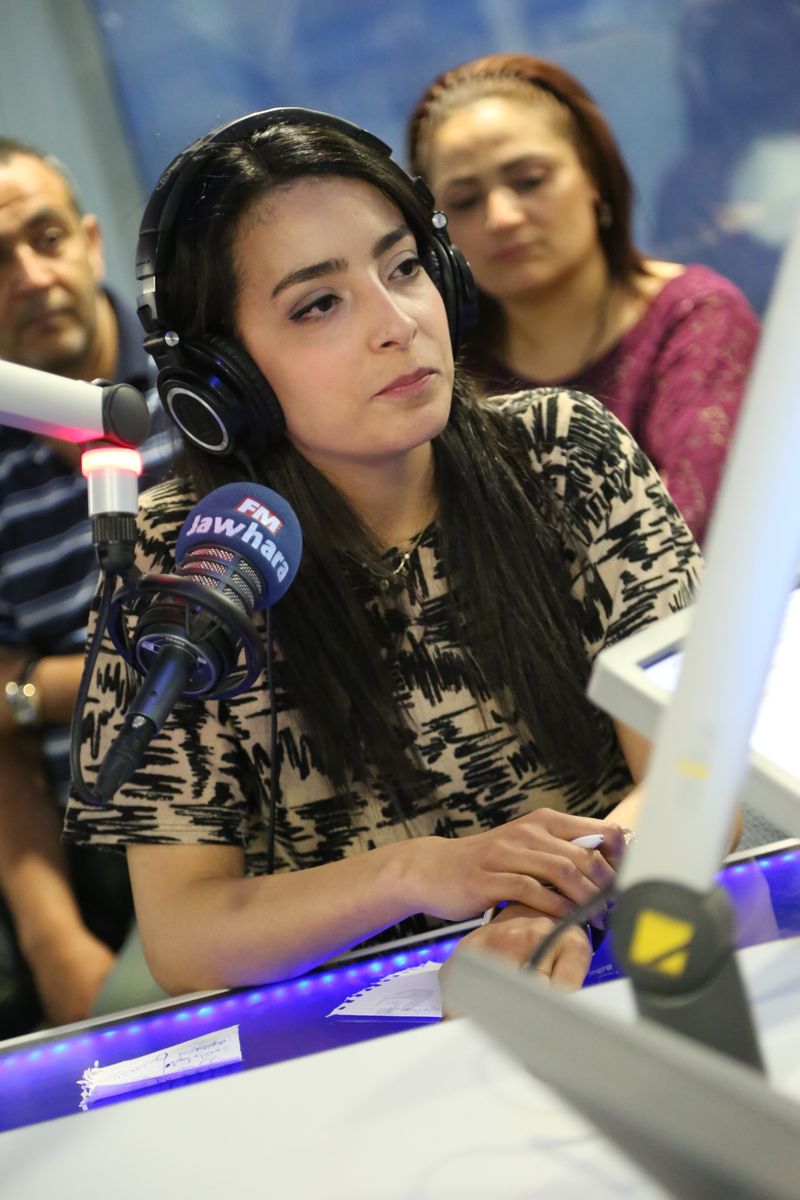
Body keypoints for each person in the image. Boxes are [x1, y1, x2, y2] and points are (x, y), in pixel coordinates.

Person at [64, 107, 703, 997]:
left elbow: (696, 777)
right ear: (223, 379)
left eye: (404, 268)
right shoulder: (181, 565)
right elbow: (185, 938)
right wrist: (416, 873)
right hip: (358, 1031)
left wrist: (554, 903)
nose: (397, 322)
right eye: (319, 304)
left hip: (615, 962)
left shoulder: (567, 453)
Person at [405, 52, 761, 547]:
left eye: (529, 180)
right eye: (465, 201)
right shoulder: (442, 370)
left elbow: (687, 538)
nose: (502, 217)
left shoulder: (697, 319)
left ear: (593, 175)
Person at [0, 137, 176, 1036]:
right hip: (93, 840)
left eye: (46, 238)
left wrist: (36, 687)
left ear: (92, 239)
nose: (32, 278)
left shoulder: (206, 373)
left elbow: (259, 635)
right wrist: (51, 939)